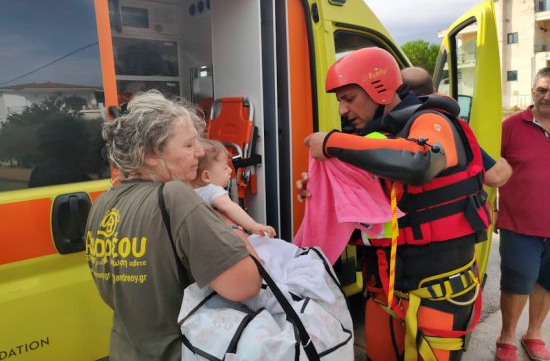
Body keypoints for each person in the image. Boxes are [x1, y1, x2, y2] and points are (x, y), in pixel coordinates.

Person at [300, 47, 491, 360]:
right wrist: (319, 191)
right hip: (383, 289)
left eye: (349, 98)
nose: (343, 110)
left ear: (381, 89)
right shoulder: (374, 137)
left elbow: (420, 162)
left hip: (439, 293)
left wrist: (333, 142)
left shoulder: (432, 121)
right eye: (339, 101)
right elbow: (363, 206)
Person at [85, 90, 261, 360]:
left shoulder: (102, 204)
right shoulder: (174, 197)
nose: (200, 152)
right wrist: (235, 232)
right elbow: (245, 285)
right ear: (152, 154)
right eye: (189, 145)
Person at [495, 67, 550, 361]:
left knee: (547, 282)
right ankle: (506, 337)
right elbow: (489, 169)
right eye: (542, 89)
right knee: (517, 282)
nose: (547, 96)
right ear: (532, 91)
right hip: (519, 225)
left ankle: (534, 333)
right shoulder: (511, 126)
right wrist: (490, 207)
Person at [401, 66, 512, 188]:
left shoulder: (384, 125)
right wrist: (504, 162)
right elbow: (496, 177)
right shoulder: (448, 124)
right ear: (434, 90)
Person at [191, 138, 276, 237]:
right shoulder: (212, 190)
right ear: (206, 176)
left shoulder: (186, 191)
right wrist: (253, 226)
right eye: (225, 167)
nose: (230, 170)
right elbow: (229, 207)